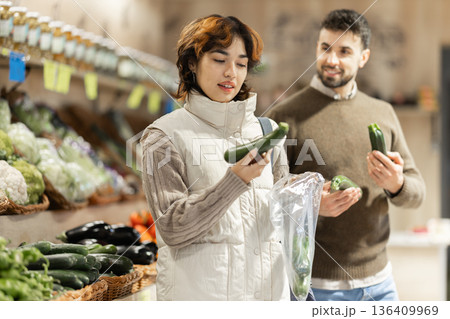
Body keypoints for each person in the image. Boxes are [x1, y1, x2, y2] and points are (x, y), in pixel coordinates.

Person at [266, 9, 425, 301]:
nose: (331, 60)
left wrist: (396, 183)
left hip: (380, 285)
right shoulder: (285, 115)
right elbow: (265, 196)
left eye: (344, 51)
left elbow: (417, 192)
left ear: (363, 57)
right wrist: (312, 205)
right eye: (324, 47)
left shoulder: (383, 113)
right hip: (314, 286)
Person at [140, 14, 290, 301]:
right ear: (192, 64)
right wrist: (234, 181)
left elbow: (283, 208)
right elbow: (172, 228)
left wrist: (312, 198)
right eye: (219, 60)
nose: (231, 72)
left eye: (241, 64)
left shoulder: (267, 131)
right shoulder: (163, 136)